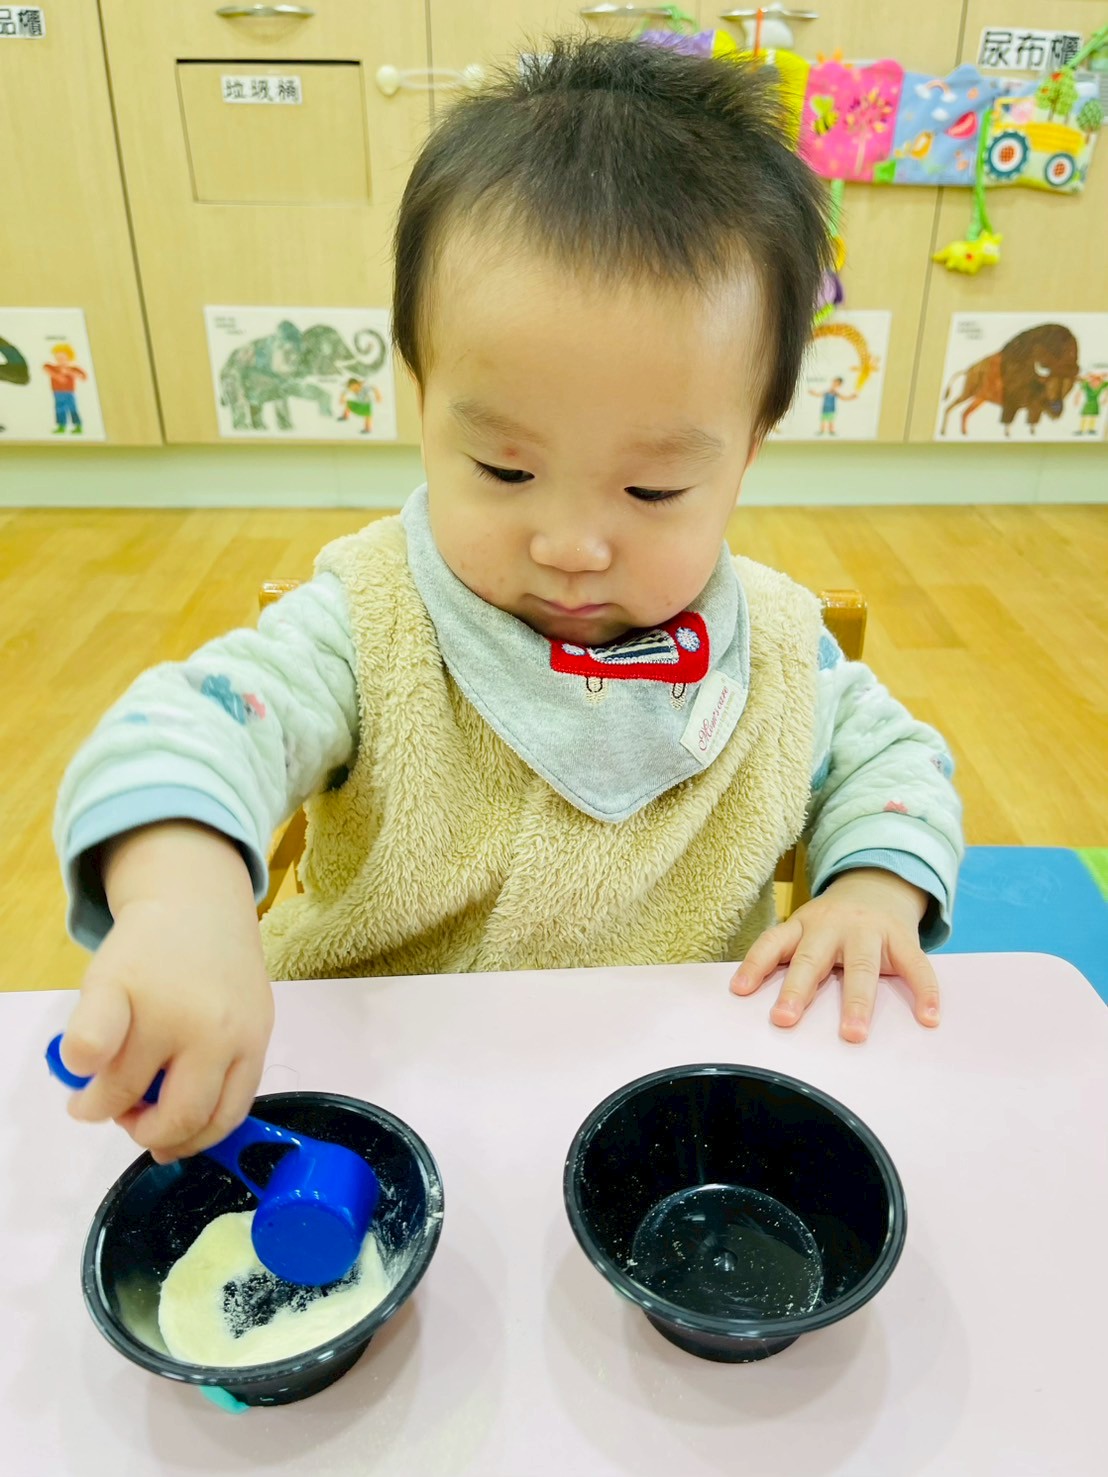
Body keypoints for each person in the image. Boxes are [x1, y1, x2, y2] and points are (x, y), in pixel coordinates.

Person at [53, 38, 962, 1165]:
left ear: (749, 453)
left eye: (652, 490)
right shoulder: (370, 622)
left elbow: (897, 762)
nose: (570, 545)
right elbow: (189, 729)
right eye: (504, 469)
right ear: (423, 402)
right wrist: (182, 904)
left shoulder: (777, 651)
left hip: (662, 1123)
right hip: (361, 1108)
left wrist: (872, 888)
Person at [43, 342, 87, 434]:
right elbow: (45, 367)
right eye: (57, 358)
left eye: (63, 358)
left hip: (69, 392)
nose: (60, 360)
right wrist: (57, 376)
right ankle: (61, 426)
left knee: (72, 408)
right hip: (57, 392)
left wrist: (69, 372)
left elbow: (83, 377)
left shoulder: (73, 368)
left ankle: (78, 426)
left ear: (69, 358)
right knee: (59, 408)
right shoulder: (54, 368)